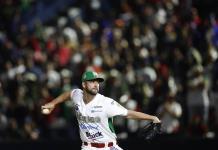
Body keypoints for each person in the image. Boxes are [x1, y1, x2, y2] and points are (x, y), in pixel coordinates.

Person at [41, 70, 161, 150]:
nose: (96, 84)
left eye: (97, 82)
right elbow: (68, 94)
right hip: (88, 147)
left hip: (109, 147)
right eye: (92, 81)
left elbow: (128, 113)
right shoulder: (77, 95)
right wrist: (52, 103)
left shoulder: (106, 103)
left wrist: (152, 117)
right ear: (84, 85)